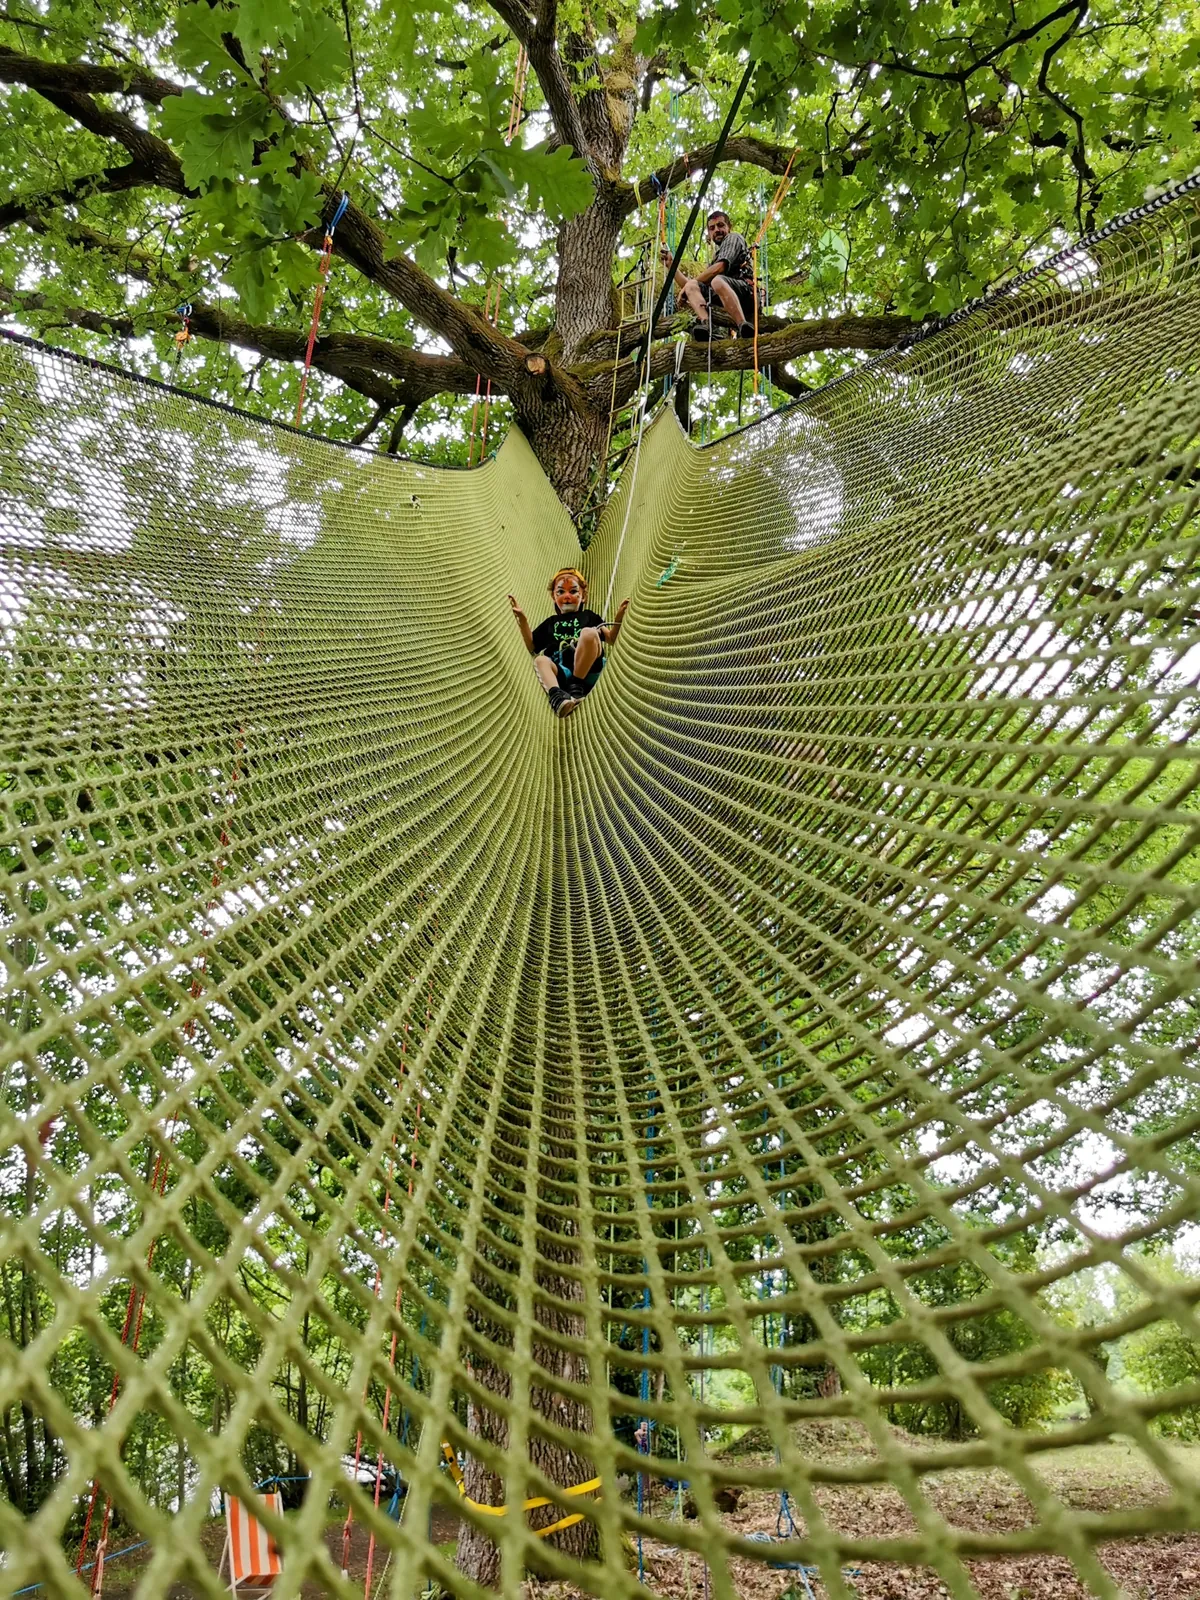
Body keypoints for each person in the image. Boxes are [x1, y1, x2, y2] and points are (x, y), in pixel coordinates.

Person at [508, 568, 630, 719]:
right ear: (553, 596)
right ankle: (558, 698)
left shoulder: (589, 616)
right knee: (540, 660)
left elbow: (611, 639)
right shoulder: (550, 623)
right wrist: (523, 620)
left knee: (589, 633)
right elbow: (532, 647)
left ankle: (576, 684)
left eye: (573, 592)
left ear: (583, 596)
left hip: (590, 670)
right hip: (563, 673)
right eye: (560, 592)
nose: (566, 597)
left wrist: (619, 617)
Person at [661, 210, 757, 341]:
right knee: (694, 287)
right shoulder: (715, 259)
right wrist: (671, 266)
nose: (717, 230)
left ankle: (742, 325)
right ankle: (706, 324)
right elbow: (691, 287)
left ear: (729, 227)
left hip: (745, 291)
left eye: (721, 225)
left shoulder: (733, 238)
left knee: (716, 281)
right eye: (712, 228)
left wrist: (691, 284)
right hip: (724, 294)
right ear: (709, 233)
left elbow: (720, 268)